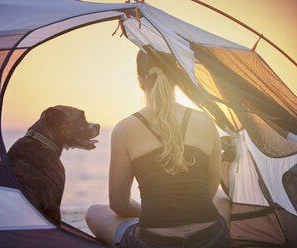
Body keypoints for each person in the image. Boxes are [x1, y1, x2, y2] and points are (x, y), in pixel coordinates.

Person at [86, 49, 230, 247]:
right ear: (177, 78)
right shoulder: (205, 122)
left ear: (140, 81)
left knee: (94, 212)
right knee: (222, 199)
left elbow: (118, 204)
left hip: (154, 243)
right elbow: (210, 191)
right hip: (209, 239)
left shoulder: (124, 129)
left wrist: (153, 211)